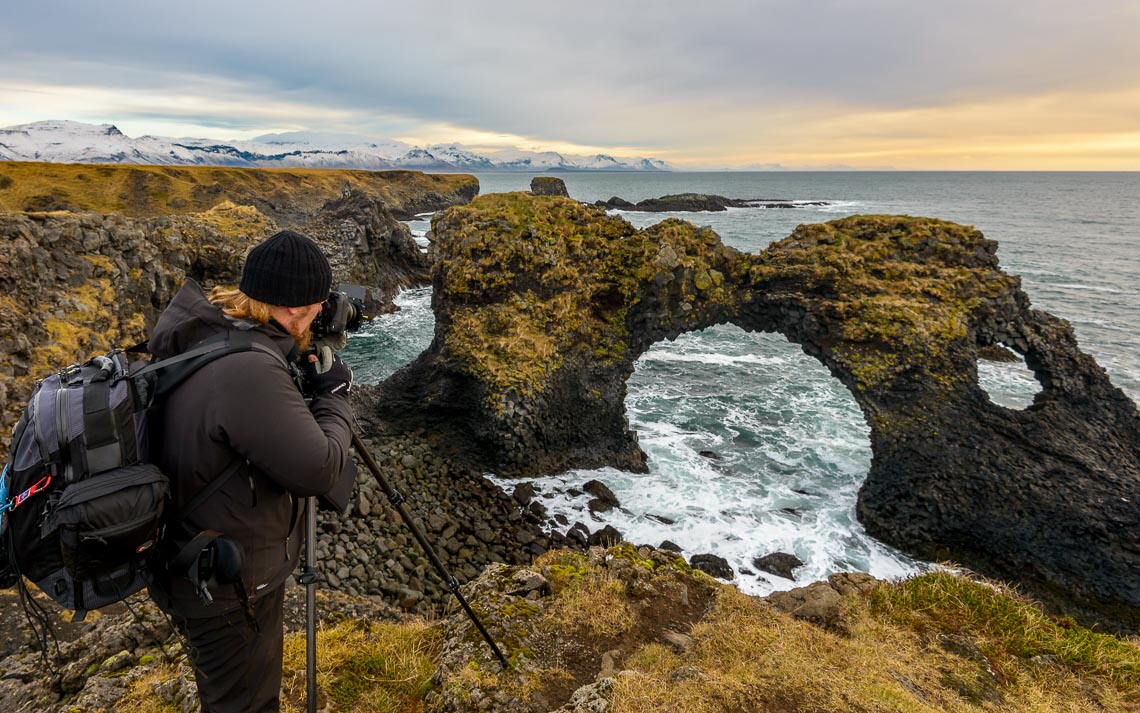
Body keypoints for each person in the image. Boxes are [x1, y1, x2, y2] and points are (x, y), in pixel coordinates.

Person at [147, 229, 355, 713]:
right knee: (244, 703)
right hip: (225, 582)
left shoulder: (215, 328)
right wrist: (335, 396)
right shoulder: (248, 371)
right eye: (317, 307)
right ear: (297, 309)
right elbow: (320, 469)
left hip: (192, 553)